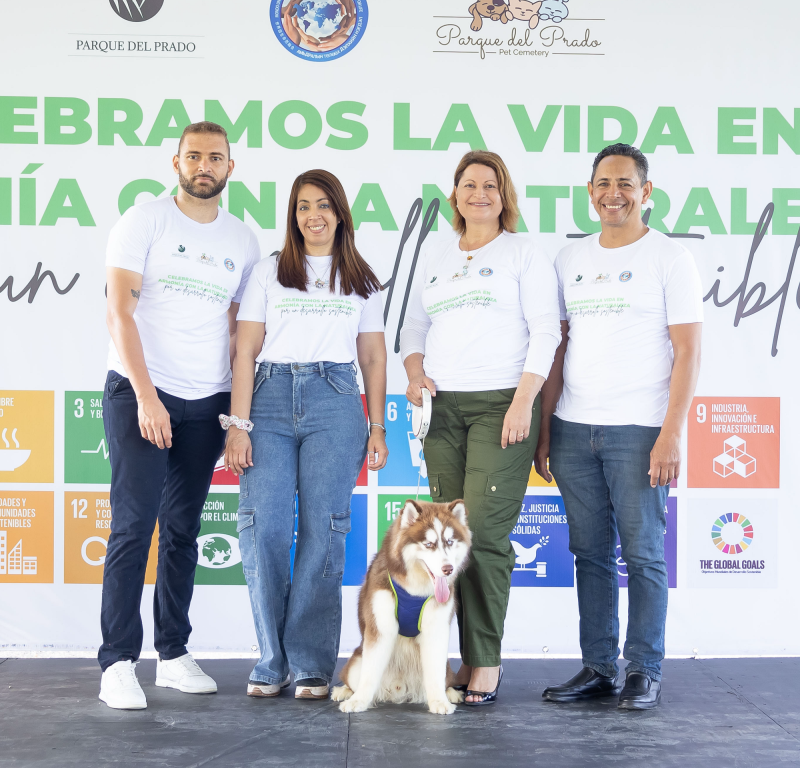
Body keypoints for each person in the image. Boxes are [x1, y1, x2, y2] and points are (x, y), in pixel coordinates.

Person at [536, 143, 703, 710]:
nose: (614, 193)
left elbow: (688, 354)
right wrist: (544, 430)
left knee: (643, 554)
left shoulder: (670, 259)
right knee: (589, 553)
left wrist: (671, 434)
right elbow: (556, 350)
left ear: (646, 192)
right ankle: (600, 666)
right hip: (574, 429)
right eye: (604, 183)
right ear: (590, 192)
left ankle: (644, 670)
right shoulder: (569, 260)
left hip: (640, 431)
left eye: (626, 184)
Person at [99, 122, 260, 709]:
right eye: (194, 155)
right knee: (133, 527)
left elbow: (241, 333)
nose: (204, 165)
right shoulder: (144, 220)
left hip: (207, 403)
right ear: (176, 162)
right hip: (142, 394)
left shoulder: (244, 240)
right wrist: (146, 396)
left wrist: (235, 411)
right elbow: (120, 313)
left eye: (215, 157)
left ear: (229, 168)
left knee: (183, 530)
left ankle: (172, 654)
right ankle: (117, 661)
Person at [400, 150, 561, 705]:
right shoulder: (437, 252)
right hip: (442, 412)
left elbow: (545, 332)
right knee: (447, 544)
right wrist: (415, 371)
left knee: (485, 537)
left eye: (490, 185)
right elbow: (414, 324)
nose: (479, 194)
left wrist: (523, 402)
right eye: (469, 184)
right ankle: (461, 658)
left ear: (504, 194)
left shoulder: (523, 253)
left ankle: (485, 662)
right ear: (455, 195)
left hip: (502, 405)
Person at [225, 169, 388, 700]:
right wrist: (239, 424)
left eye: (322, 205)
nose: (312, 215)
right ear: (292, 216)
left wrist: (378, 425)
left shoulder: (361, 278)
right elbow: (245, 351)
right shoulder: (270, 271)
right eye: (301, 206)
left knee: (324, 533)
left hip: (336, 402)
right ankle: (272, 661)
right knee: (264, 529)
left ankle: (312, 664)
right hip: (268, 401)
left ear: (340, 212)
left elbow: (371, 357)